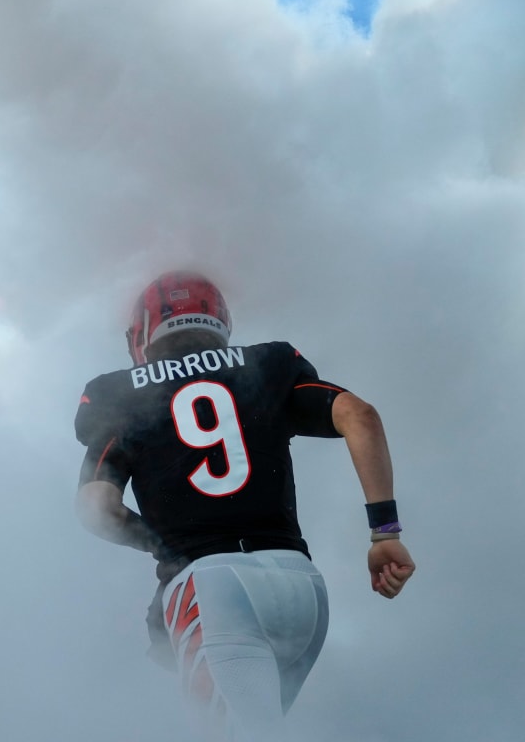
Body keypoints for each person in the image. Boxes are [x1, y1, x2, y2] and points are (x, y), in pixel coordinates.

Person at [73, 271, 415, 741]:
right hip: (301, 589)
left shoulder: (120, 392)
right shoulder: (268, 362)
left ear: (142, 332)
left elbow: (97, 506)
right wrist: (385, 533)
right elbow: (360, 415)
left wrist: (164, 546)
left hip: (211, 590)